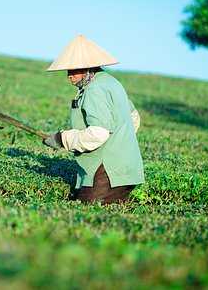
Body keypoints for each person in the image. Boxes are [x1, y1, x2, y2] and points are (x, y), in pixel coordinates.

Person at [43, 35, 144, 205]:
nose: (69, 75)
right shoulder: (111, 82)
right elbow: (133, 117)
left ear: (89, 67)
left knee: (85, 213)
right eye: (68, 70)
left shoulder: (94, 90)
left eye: (74, 70)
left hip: (108, 172)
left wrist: (62, 139)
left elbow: (98, 133)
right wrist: (119, 144)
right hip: (126, 168)